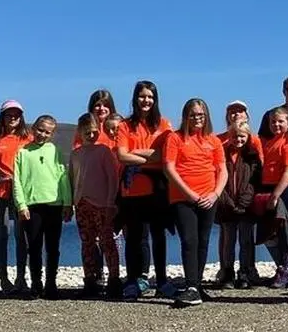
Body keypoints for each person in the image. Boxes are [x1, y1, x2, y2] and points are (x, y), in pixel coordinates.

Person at [162, 98, 227, 306]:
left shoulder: (213, 141)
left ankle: (197, 286)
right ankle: (191, 286)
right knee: (189, 240)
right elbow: (169, 168)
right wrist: (189, 193)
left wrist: (216, 194)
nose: (197, 118)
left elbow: (222, 170)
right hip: (183, 197)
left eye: (201, 114)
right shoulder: (175, 138)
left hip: (209, 197)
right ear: (186, 117)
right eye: (193, 115)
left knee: (203, 241)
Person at [116, 80, 174, 300]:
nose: (146, 100)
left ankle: (161, 281)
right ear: (135, 98)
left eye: (150, 96)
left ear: (155, 99)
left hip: (158, 189)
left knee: (159, 236)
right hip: (133, 190)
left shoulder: (164, 125)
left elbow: (165, 157)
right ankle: (132, 281)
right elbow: (121, 155)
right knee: (134, 238)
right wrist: (150, 155)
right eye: (142, 96)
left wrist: (137, 154)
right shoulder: (125, 125)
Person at [11, 115, 72, 300]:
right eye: (40, 130)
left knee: (53, 248)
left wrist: (68, 203)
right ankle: (36, 284)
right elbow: (17, 182)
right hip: (32, 206)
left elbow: (63, 178)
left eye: (47, 132)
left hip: (54, 204)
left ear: (52, 134)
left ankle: (51, 284)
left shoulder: (55, 151)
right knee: (34, 247)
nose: (42, 134)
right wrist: (21, 205)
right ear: (33, 128)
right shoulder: (22, 152)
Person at [69, 113, 120, 298]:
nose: (91, 136)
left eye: (93, 132)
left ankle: (114, 279)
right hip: (82, 204)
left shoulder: (104, 151)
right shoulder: (75, 154)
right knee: (87, 243)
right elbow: (71, 179)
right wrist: (70, 204)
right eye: (87, 133)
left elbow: (112, 179)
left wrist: (110, 202)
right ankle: (90, 279)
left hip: (102, 204)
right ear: (79, 133)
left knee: (107, 242)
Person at [0, 100, 31, 294]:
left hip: (21, 192)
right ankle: (4, 279)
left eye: (16, 115)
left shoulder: (28, 139)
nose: (13, 118)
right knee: (1, 234)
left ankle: (21, 278)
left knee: (22, 236)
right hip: (1, 192)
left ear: (21, 118)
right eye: (9, 114)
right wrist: (1, 175)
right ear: (2, 117)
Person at [215, 122, 259, 290]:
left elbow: (254, 182)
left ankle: (245, 272)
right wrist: (227, 201)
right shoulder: (223, 154)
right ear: (229, 137)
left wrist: (244, 202)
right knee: (228, 242)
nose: (238, 139)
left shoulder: (252, 156)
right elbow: (218, 177)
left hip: (246, 208)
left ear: (248, 137)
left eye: (242, 136)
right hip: (227, 207)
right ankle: (227, 272)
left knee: (246, 240)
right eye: (235, 136)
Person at [260, 108, 288, 287]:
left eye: (280, 121)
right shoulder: (269, 143)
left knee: (285, 232)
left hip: (283, 191)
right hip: (268, 189)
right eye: (273, 122)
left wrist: (275, 196)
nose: (276, 125)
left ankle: (286, 271)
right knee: (269, 233)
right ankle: (281, 269)